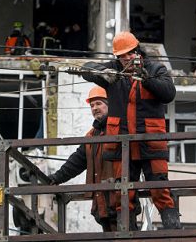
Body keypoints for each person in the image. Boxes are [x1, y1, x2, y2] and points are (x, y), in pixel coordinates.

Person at [78, 31, 181, 229]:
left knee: (158, 185)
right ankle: (128, 229)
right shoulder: (113, 71)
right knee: (123, 190)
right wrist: (100, 72)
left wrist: (146, 78)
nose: (125, 58)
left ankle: (172, 227)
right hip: (122, 144)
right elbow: (86, 69)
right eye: (121, 55)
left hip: (150, 141)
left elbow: (168, 93)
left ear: (137, 52)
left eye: (128, 54)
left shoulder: (155, 68)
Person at [48, 86, 137, 231]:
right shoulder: (91, 137)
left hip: (122, 201)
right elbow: (76, 162)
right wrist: (56, 177)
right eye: (92, 105)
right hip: (102, 204)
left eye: (99, 103)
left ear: (109, 104)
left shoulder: (122, 128)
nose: (95, 108)